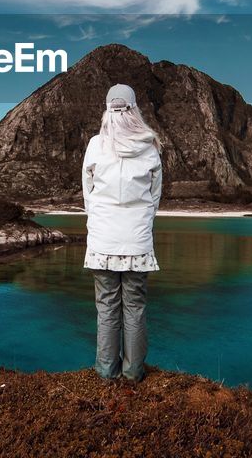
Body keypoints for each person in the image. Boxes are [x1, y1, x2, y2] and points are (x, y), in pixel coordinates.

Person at [81, 83, 163, 383]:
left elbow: (87, 195)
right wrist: (139, 220)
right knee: (136, 308)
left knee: (106, 308)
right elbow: (154, 198)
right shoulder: (150, 146)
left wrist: (102, 219)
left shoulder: (95, 145)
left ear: (107, 109)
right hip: (137, 243)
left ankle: (106, 372)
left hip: (102, 240)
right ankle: (133, 373)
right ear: (134, 108)